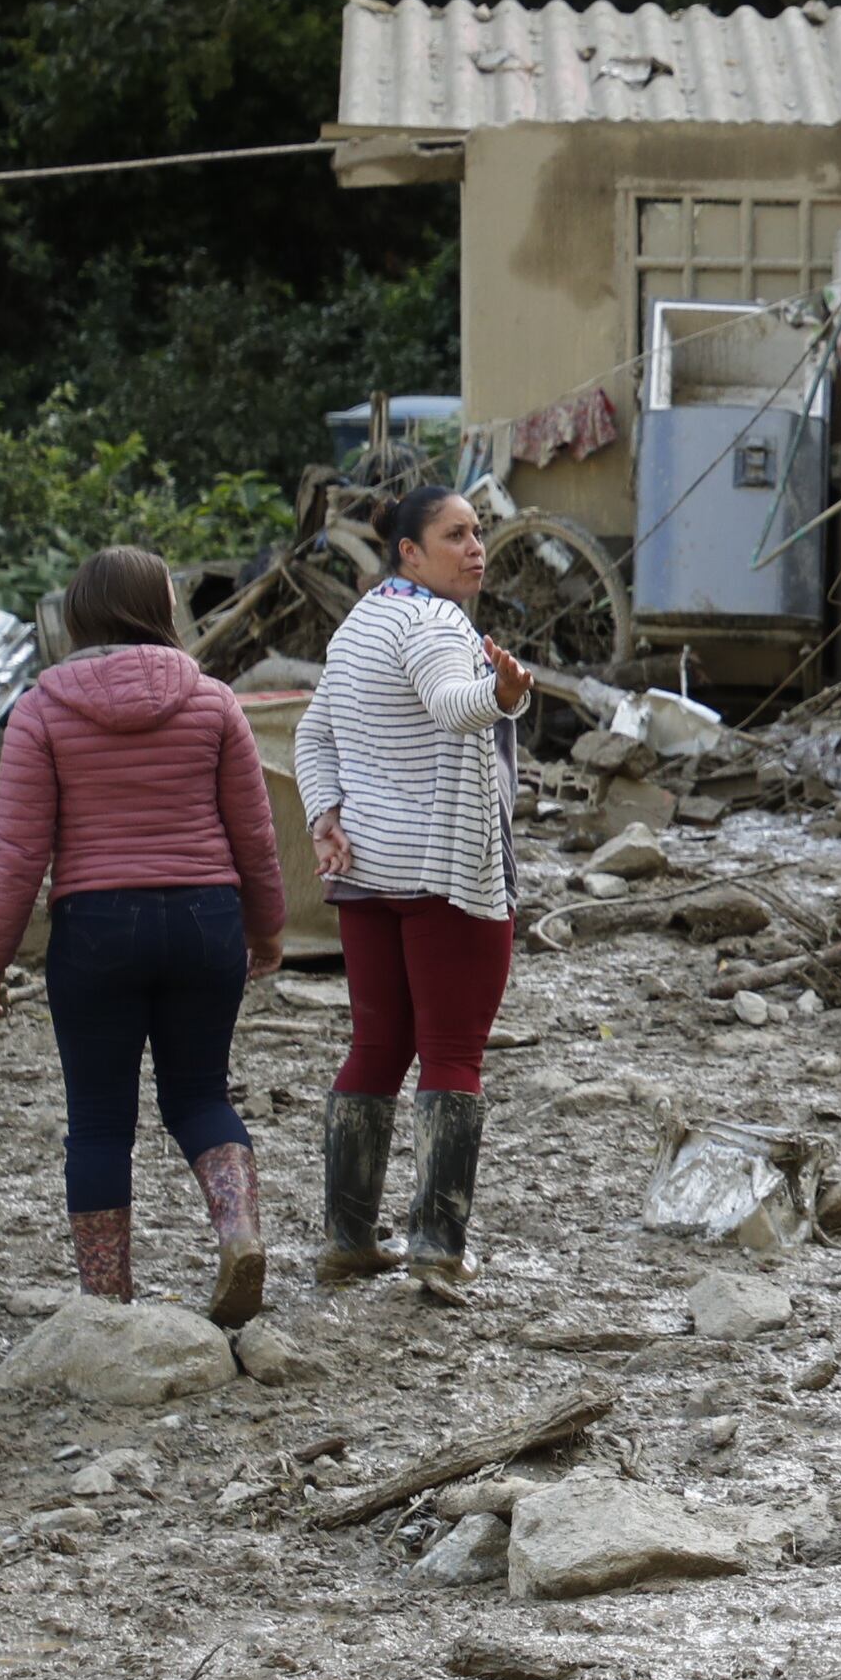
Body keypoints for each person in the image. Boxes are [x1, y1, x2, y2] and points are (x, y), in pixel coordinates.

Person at [0, 547, 286, 1322]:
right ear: (159, 610)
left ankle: (107, 1307)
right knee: (200, 1095)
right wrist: (267, 927)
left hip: (96, 929)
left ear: (81, 614)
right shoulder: (213, 702)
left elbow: (19, 853)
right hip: (206, 921)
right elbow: (255, 835)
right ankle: (239, 1232)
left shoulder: (42, 709)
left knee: (100, 1122)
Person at [294, 485, 533, 1295]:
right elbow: (451, 704)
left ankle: (348, 1241)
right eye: (455, 535)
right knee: (453, 1054)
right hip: (444, 873)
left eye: (479, 533)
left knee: (376, 1045)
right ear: (410, 552)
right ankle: (437, 1248)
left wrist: (324, 815)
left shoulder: (362, 620)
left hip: (366, 873)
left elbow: (312, 734)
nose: (476, 548)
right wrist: (502, 696)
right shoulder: (435, 624)